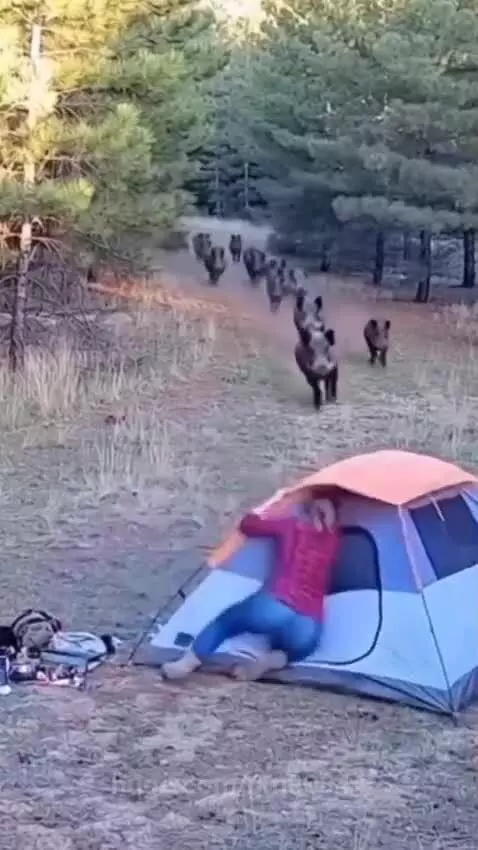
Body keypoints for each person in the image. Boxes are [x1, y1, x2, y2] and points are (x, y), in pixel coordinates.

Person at [160, 495, 340, 682]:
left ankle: (185, 664)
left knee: (226, 622)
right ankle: (271, 661)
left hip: (276, 604)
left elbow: (249, 525)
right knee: (300, 649)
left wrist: (267, 507)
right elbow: (328, 523)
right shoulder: (334, 540)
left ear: (306, 509)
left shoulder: (291, 526)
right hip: (308, 622)